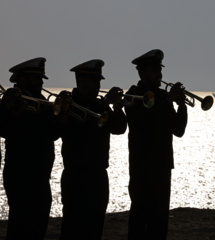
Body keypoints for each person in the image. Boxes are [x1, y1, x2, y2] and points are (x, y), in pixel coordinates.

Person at [58, 59, 127, 240]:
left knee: (95, 228)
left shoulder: (100, 105)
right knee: (73, 229)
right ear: (81, 81)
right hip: (76, 176)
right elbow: (83, 129)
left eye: (98, 82)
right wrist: (105, 102)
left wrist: (118, 108)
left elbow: (118, 128)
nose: (98, 85)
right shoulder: (69, 104)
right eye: (94, 81)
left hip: (98, 175)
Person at [125, 49, 188, 240]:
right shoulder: (133, 95)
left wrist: (182, 105)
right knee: (139, 217)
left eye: (159, 70)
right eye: (154, 70)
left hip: (162, 166)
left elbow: (178, 130)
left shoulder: (162, 96)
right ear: (141, 72)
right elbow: (144, 122)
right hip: (142, 166)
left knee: (160, 220)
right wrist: (169, 99)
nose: (159, 74)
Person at [0, 57, 59, 239]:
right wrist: (6, 108)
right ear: (23, 79)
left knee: (38, 225)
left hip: (41, 174)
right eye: (37, 78)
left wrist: (60, 114)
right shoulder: (11, 100)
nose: (41, 82)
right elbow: (3, 128)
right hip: (20, 174)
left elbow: (53, 133)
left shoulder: (41, 100)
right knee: (20, 227)